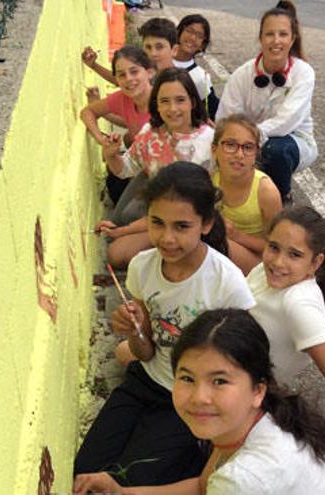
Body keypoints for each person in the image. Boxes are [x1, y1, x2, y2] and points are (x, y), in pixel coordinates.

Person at [73, 309, 325, 494]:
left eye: (220, 381)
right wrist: (121, 490)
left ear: (258, 389)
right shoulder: (255, 420)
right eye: (186, 378)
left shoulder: (244, 478)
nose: (199, 397)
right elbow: (202, 486)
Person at [74, 163, 256, 488]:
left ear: (207, 224)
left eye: (181, 226)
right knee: (85, 470)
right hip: (145, 382)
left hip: (190, 401)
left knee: (127, 481)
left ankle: (192, 455)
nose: (167, 238)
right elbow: (144, 352)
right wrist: (135, 331)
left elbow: (244, 367)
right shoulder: (143, 267)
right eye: (157, 223)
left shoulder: (226, 283)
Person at [247, 205, 325, 444]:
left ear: (315, 263)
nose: (278, 262)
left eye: (295, 255)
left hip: (250, 404)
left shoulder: (298, 303)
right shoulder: (265, 273)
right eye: (273, 247)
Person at [97, 68, 214, 268]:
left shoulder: (209, 140)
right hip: (158, 210)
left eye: (180, 100)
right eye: (164, 101)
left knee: (118, 250)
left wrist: (126, 232)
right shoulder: (150, 132)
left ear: (192, 102)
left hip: (190, 217)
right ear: (156, 105)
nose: (172, 109)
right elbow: (125, 169)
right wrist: (112, 155)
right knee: (117, 238)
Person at [216, 1, 316, 204]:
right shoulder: (242, 75)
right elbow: (226, 117)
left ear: (292, 39)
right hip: (248, 140)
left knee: (274, 150)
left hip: (292, 140)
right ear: (260, 38)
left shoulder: (303, 73)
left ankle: (283, 200)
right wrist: (238, 143)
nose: (276, 41)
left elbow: (287, 121)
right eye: (270, 34)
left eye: (283, 34)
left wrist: (250, 140)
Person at [80, 46, 154, 204]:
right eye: (121, 75)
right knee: (115, 189)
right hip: (139, 167)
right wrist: (102, 140)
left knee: (126, 217)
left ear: (149, 72)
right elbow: (87, 112)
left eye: (134, 71)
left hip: (162, 177)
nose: (128, 79)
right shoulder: (122, 98)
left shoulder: (163, 103)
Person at [211, 114, 282, 275]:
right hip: (220, 253)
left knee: (212, 241)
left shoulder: (266, 192)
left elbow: (278, 247)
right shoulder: (209, 181)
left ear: (256, 154)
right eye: (230, 145)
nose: (239, 154)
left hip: (257, 264)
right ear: (214, 149)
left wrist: (237, 236)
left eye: (248, 147)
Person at [80, 17, 180, 87]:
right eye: (148, 47)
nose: (153, 53)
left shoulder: (179, 82)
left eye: (159, 47)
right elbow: (120, 81)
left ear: (174, 50)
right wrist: (93, 65)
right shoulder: (147, 72)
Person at [173, 14, 219, 119]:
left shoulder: (200, 78)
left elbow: (212, 111)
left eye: (199, 36)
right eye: (189, 31)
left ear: (202, 44)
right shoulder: (160, 60)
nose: (193, 38)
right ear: (179, 31)